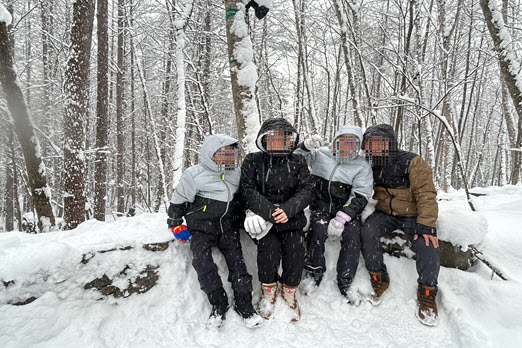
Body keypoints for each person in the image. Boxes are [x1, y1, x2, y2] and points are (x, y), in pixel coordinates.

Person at [167, 134, 263, 331]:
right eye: (223, 154)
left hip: (227, 227)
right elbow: (179, 198)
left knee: (238, 264)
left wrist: (249, 213)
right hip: (201, 228)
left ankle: (244, 303)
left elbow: (243, 198)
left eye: (231, 154)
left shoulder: (236, 174)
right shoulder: (194, 174)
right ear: (211, 154)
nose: (228, 158)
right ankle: (218, 302)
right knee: (202, 262)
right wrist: (175, 222)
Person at [360, 124, 440, 326]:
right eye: (371, 144)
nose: (375, 148)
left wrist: (426, 224)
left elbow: (426, 193)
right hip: (385, 213)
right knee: (367, 232)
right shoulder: (368, 163)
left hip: (412, 215)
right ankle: (378, 275)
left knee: (428, 244)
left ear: (391, 144)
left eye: (380, 143)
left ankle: (427, 291)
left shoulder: (411, 161)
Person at [240, 118, 314, 322]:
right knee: (268, 251)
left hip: (292, 219)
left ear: (289, 141)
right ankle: (268, 292)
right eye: (272, 138)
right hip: (264, 221)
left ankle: (289, 292)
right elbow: (247, 190)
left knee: (296, 251)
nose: (278, 142)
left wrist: (288, 209)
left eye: (283, 138)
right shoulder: (253, 161)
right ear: (263, 140)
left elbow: (307, 190)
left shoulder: (298, 161)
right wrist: (269, 211)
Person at [296, 125, 373, 304]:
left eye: (352, 144)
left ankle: (346, 279)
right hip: (320, 205)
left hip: (346, 209)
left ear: (358, 146)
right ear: (335, 141)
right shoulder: (321, 154)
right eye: (343, 142)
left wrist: (343, 216)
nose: (347, 147)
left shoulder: (362, 165)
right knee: (317, 230)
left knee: (353, 236)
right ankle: (314, 272)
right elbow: (295, 158)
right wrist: (305, 146)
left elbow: (361, 193)